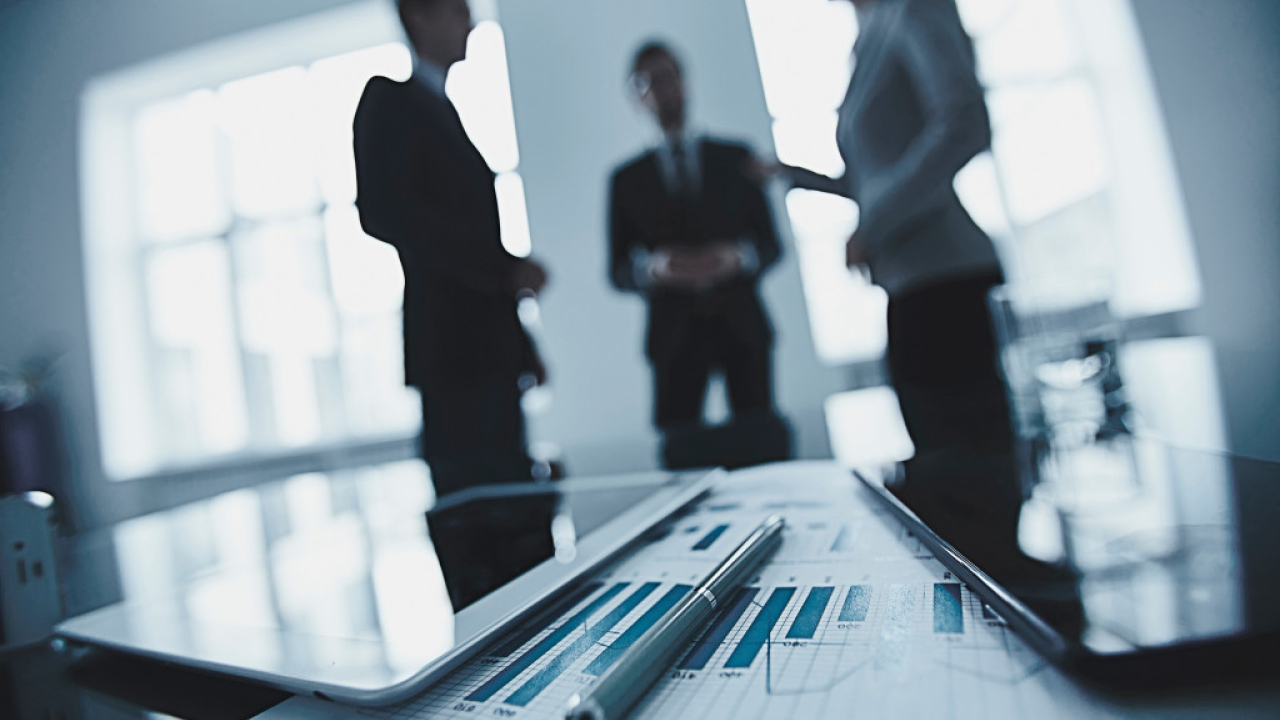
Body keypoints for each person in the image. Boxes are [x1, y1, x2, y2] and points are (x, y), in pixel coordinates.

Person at [353, 0, 550, 497]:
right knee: (479, 522)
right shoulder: (390, 99)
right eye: (460, 10)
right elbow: (384, 211)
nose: (472, 22)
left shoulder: (443, 109)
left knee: (514, 513)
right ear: (420, 16)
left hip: (489, 355)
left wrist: (524, 345)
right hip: (454, 356)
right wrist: (507, 270)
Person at [608, 41, 790, 469]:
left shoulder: (737, 157)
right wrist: (654, 269)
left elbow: (770, 245)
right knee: (681, 464)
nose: (663, 90)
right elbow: (617, 269)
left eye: (669, 77)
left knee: (763, 453)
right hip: (673, 339)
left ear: (686, 82)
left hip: (743, 329)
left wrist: (737, 259)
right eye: (649, 83)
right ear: (636, 96)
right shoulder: (625, 181)